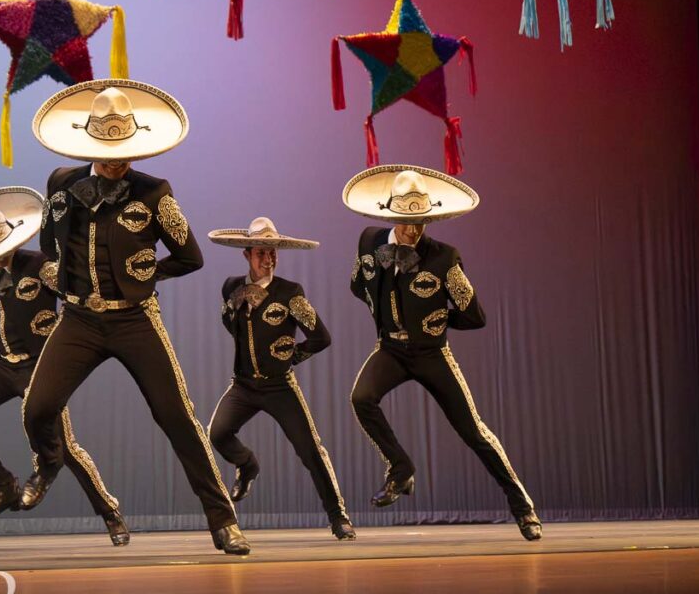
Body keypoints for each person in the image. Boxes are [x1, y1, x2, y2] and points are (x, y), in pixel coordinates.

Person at [22, 80, 249, 555]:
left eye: (122, 148)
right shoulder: (61, 183)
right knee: (38, 407)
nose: (113, 158)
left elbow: (191, 256)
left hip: (135, 320)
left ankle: (223, 520)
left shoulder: (154, 192)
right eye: (105, 147)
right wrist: (66, 278)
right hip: (80, 320)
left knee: (176, 416)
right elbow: (48, 242)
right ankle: (48, 462)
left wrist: (143, 274)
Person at [344, 165, 542, 541]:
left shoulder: (444, 257)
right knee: (361, 398)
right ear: (390, 214)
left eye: (422, 220)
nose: (414, 229)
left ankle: (523, 508)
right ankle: (401, 469)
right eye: (407, 221)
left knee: (474, 432)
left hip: (432, 354)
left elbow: (474, 314)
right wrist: (384, 311)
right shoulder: (369, 241)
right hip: (390, 349)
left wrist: (436, 321)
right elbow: (357, 284)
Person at [0, 187, 129, 546]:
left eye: (3, 244)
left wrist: (93, 300)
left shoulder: (39, 264)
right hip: (1, 366)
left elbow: (73, 291)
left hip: (39, 369)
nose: (0, 253)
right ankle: (3, 485)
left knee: (67, 448)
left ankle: (110, 513)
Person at [207, 218, 356, 540]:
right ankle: (248, 466)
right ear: (247, 254)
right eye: (261, 253)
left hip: (279, 386)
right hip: (243, 385)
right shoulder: (231, 286)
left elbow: (321, 337)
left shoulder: (290, 292)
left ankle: (338, 517)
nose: (268, 259)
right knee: (217, 433)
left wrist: (288, 357)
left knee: (310, 450)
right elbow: (228, 322)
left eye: (273, 253)